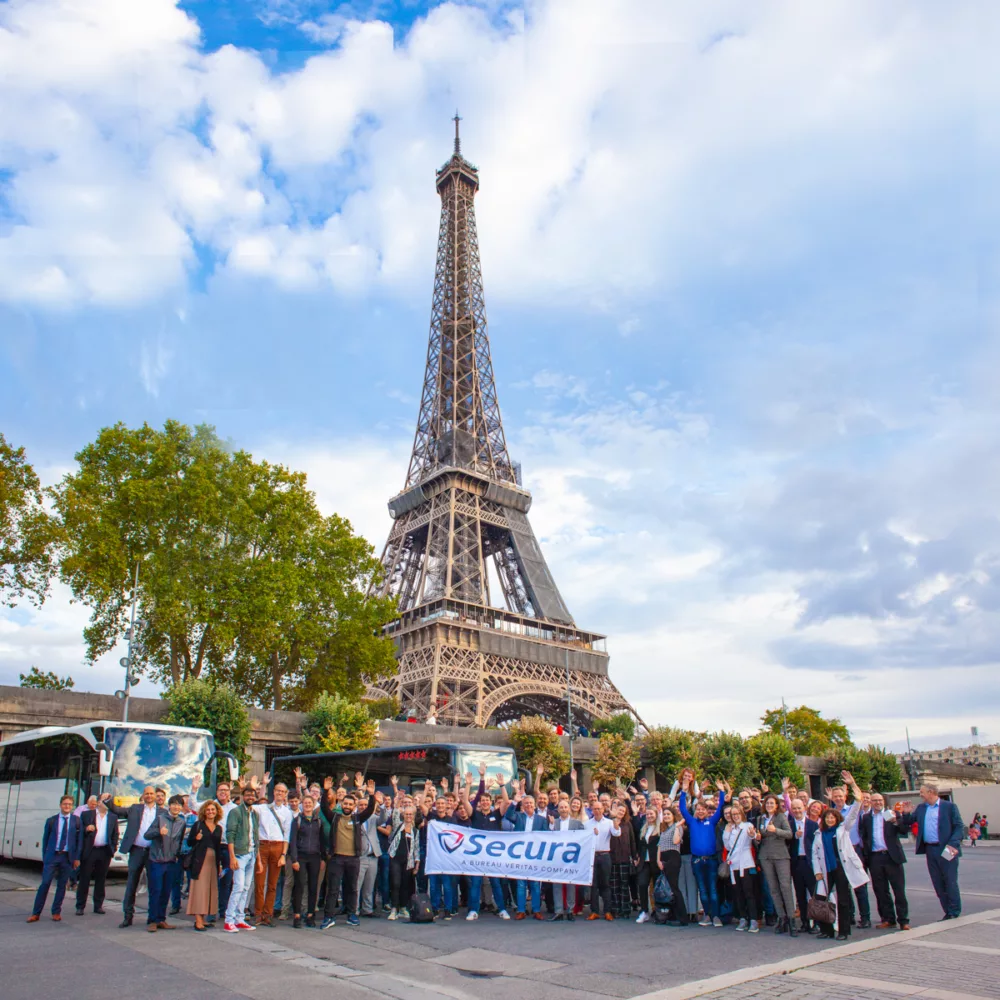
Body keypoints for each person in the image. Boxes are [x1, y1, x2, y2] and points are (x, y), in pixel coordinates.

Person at [811, 772, 869, 941]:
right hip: (825, 871)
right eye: (827, 817)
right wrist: (817, 872)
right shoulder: (818, 834)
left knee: (843, 900)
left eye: (832, 817)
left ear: (836, 819)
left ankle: (843, 931)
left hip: (840, 868)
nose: (829, 820)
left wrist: (853, 785)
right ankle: (827, 929)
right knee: (822, 899)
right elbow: (815, 854)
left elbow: (854, 810)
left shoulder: (843, 829)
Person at [895, 784, 963, 920]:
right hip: (930, 849)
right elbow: (908, 822)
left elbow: (959, 826)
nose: (920, 795)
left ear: (931, 792)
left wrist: (952, 844)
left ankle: (954, 911)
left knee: (949, 881)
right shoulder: (921, 808)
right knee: (937, 882)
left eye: (922, 792)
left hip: (947, 849)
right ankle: (947, 911)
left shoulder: (948, 807)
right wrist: (906, 812)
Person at [319, 773, 377, 929]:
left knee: (352, 888)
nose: (347, 806)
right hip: (337, 859)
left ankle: (351, 915)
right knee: (333, 889)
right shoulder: (335, 817)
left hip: (353, 859)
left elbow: (370, 809)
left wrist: (371, 795)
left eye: (351, 805)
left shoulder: (358, 819)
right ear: (341, 804)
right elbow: (324, 807)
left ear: (354, 807)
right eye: (345, 804)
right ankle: (329, 917)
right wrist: (326, 791)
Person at [104, 784, 158, 928]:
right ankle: (128, 916)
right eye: (146, 793)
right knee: (131, 884)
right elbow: (117, 810)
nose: (149, 796)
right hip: (136, 851)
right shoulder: (135, 808)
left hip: (153, 853)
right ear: (143, 795)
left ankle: (153, 918)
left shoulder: (162, 812)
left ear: (155, 795)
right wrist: (108, 801)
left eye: (151, 793)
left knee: (154, 886)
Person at [678, 775, 728, 927]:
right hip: (697, 860)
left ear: (707, 811)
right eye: (698, 809)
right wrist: (684, 792)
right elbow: (682, 809)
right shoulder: (692, 822)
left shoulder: (711, 822)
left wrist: (721, 792)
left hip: (711, 860)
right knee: (703, 890)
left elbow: (720, 809)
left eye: (702, 809)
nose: (700, 811)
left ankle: (716, 916)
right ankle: (707, 915)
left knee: (713, 889)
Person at [859, 792, 910, 930]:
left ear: (883, 801)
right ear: (870, 802)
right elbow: (864, 836)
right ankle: (888, 918)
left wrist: (896, 821)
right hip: (875, 857)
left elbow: (904, 830)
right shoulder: (866, 818)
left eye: (880, 800)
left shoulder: (892, 814)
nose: (877, 803)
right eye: (874, 800)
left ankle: (903, 920)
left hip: (892, 856)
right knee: (881, 891)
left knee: (898, 890)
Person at [27, 795, 81, 923]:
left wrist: (76, 858)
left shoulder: (76, 821)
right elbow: (45, 840)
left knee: (62, 886)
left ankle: (56, 912)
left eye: (69, 804)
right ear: (60, 805)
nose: (67, 806)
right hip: (53, 856)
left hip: (67, 857)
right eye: (64, 804)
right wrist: (46, 857)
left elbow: (79, 841)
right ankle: (36, 913)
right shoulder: (51, 820)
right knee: (45, 883)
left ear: (72, 806)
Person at [830, 780, 872, 929]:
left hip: (855, 850)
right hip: (840, 851)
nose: (838, 799)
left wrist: (853, 783)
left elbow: (859, 799)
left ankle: (865, 917)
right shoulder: (831, 813)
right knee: (844, 886)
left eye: (840, 796)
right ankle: (850, 915)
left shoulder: (853, 809)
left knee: (859, 885)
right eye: (835, 797)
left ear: (845, 796)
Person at [755, 793, 797, 936]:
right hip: (765, 856)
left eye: (772, 803)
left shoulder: (781, 817)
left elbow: (789, 834)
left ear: (777, 805)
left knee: (785, 886)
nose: (769, 806)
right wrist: (757, 838)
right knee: (773, 888)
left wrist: (775, 830)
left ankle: (791, 919)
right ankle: (782, 917)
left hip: (780, 856)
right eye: (767, 804)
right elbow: (757, 839)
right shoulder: (760, 819)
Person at [145, 794, 187, 932]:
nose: (176, 807)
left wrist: (177, 856)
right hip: (157, 860)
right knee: (155, 891)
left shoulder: (181, 822)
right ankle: (152, 920)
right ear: (169, 805)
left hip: (171, 861)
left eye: (179, 805)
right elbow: (147, 835)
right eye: (174, 804)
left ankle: (161, 919)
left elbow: (180, 841)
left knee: (166, 891)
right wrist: (158, 831)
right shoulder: (160, 818)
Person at [252, 778, 291, 927]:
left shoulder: (287, 813)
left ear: (286, 794)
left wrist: (283, 855)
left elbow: (287, 835)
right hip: (263, 846)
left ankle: (268, 914)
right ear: (273, 792)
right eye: (277, 791)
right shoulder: (264, 808)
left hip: (278, 846)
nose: (280, 793)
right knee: (260, 882)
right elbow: (249, 806)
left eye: (282, 791)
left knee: (273, 883)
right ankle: (258, 913)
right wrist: (260, 786)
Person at [505, 792, 549, 919]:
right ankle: (521, 910)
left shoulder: (541, 820)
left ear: (534, 805)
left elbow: (547, 836)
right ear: (523, 806)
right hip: (520, 855)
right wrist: (514, 802)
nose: (528, 805)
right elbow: (508, 815)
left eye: (530, 803)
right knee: (521, 884)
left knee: (535, 884)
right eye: (526, 803)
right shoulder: (518, 816)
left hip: (535, 856)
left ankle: (536, 910)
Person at [224, 783, 261, 933]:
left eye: (252, 795)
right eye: (247, 795)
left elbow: (256, 837)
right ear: (242, 796)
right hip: (239, 854)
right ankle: (229, 919)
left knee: (246, 888)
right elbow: (230, 834)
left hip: (251, 853)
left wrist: (258, 859)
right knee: (238, 887)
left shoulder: (254, 814)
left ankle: (239, 918)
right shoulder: (235, 812)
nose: (250, 797)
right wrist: (232, 856)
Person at [76, 793, 119, 915]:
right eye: (105, 800)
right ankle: (80, 906)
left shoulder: (112, 817)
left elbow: (115, 834)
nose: (107, 803)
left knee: (101, 879)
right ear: (99, 802)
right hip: (90, 850)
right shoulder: (86, 814)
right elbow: (79, 831)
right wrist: (86, 829)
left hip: (104, 851)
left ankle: (98, 905)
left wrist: (113, 848)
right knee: (85, 878)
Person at [186, 800, 223, 931]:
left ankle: (204, 918)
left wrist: (219, 865)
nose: (210, 812)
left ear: (217, 811)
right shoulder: (198, 825)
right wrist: (196, 838)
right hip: (200, 861)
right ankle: (198, 920)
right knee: (199, 890)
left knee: (209, 889)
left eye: (213, 809)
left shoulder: (219, 828)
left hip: (213, 862)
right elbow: (189, 843)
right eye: (208, 810)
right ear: (204, 812)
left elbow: (218, 847)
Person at [289, 793, 324, 928]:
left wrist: (322, 858)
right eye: (305, 803)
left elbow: (321, 841)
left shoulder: (318, 821)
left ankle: (310, 914)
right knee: (299, 885)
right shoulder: (297, 820)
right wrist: (294, 859)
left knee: (313, 887)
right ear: (301, 805)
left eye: (310, 803)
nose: (308, 805)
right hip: (301, 856)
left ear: (314, 805)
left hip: (315, 856)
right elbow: (293, 841)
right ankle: (297, 915)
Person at [724, 802, 759, 933]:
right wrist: (726, 833)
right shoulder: (730, 828)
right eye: (733, 815)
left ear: (741, 814)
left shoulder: (747, 826)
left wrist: (752, 834)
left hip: (745, 862)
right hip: (734, 864)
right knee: (738, 893)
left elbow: (752, 836)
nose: (735, 816)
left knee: (749, 892)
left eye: (737, 814)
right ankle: (743, 918)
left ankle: (754, 919)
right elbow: (727, 846)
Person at [586, 799, 622, 920]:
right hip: (592, 856)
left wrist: (616, 825)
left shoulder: (609, 822)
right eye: (595, 808)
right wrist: (591, 833)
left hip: (605, 855)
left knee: (606, 884)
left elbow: (616, 834)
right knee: (593, 885)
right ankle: (594, 911)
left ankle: (607, 911)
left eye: (599, 808)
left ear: (603, 809)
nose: (597, 811)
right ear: (592, 810)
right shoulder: (587, 824)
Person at [787, 796, 819, 934]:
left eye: (799, 807)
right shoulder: (788, 824)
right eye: (794, 808)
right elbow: (786, 843)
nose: (797, 810)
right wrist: (794, 835)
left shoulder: (813, 824)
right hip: (796, 862)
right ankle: (805, 923)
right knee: (800, 894)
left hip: (809, 862)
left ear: (804, 808)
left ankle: (816, 922)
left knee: (813, 893)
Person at [549, 797, 584, 921]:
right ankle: (558, 911)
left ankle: (570, 910)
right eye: (561, 807)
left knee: (570, 884)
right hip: (557, 858)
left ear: (569, 808)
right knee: (556, 884)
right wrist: (551, 826)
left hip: (571, 858)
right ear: (557, 810)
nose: (563, 809)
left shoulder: (577, 823)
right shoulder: (554, 823)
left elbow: (584, 839)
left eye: (565, 807)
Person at [387, 804, 420, 920]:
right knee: (396, 883)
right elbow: (395, 815)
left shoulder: (415, 831)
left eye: (410, 814)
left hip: (408, 861)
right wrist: (397, 803)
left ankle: (402, 908)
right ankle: (394, 909)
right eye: (406, 814)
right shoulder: (398, 826)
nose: (408, 816)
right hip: (395, 859)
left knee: (405, 885)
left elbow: (416, 848)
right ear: (403, 815)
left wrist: (417, 863)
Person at [635, 805, 660, 923]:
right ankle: (644, 911)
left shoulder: (660, 828)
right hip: (644, 862)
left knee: (656, 887)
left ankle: (657, 911)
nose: (649, 816)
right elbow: (640, 845)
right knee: (642, 884)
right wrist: (638, 857)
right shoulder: (644, 828)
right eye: (648, 814)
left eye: (652, 814)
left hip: (656, 862)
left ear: (656, 815)